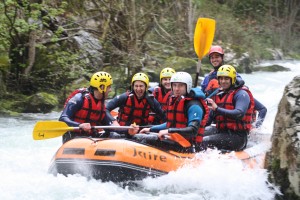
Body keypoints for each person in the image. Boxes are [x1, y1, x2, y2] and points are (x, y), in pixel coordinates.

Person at [135, 72, 209, 152]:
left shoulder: (194, 105)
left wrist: (168, 131)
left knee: (142, 139)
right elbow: (170, 124)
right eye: (174, 85)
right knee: (140, 136)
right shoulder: (176, 100)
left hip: (189, 146)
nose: (176, 89)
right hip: (177, 140)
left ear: (188, 86)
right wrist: (150, 129)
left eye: (180, 85)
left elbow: (193, 131)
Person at [201, 45, 267, 128]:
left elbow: (262, 109)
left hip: (236, 123)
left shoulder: (239, 91)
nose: (214, 60)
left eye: (217, 57)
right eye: (212, 57)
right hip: (217, 119)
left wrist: (257, 128)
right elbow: (202, 96)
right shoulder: (208, 78)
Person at [204, 65, 255, 151]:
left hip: (237, 137)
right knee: (196, 136)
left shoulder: (241, 94)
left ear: (232, 80)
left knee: (203, 141)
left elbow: (239, 113)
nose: (223, 81)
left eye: (226, 79)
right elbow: (209, 120)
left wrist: (217, 109)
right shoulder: (219, 94)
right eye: (221, 79)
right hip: (221, 130)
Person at [59, 71, 121, 143]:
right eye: (109, 87)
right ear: (102, 87)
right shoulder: (79, 99)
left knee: (114, 135)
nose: (110, 90)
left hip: (91, 138)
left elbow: (109, 127)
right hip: (73, 138)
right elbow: (63, 118)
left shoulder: (101, 105)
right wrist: (79, 125)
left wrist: (127, 130)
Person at [105, 72, 165, 137]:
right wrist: (113, 121)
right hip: (122, 131)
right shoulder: (124, 97)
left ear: (146, 87)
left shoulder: (151, 100)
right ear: (132, 86)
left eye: (141, 86)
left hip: (140, 133)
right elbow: (106, 109)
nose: (138, 89)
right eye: (136, 86)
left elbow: (163, 116)